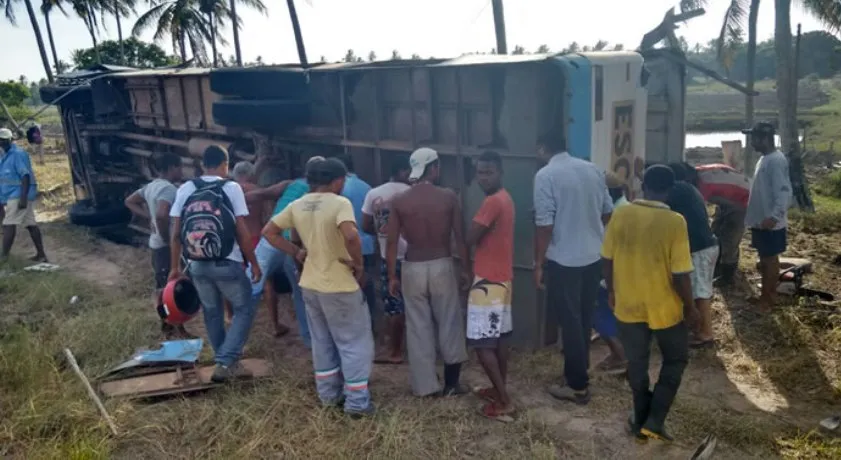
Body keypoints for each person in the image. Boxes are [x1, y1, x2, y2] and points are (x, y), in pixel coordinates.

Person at [262, 158, 375, 417]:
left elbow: (269, 231)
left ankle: (329, 396)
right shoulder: (339, 203)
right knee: (353, 342)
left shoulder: (297, 204)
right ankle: (357, 403)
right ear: (337, 180)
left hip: (310, 285)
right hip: (340, 285)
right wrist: (358, 266)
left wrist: (297, 252)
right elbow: (350, 235)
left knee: (322, 341)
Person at [601, 165, 694, 443]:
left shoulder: (621, 214)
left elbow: (606, 258)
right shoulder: (675, 222)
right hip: (665, 308)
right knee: (676, 359)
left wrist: (612, 289)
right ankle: (654, 420)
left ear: (643, 186)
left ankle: (639, 417)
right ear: (670, 189)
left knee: (637, 363)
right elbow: (681, 275)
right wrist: (690, 308)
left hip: (628, 304)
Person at [168, 145, 262, 383]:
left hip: (196, 262)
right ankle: (225, 361)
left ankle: (226, 362)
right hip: (226, 261)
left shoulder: (186, 188)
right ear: (225, 164)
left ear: (202, 165)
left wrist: (174, 268)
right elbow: (241, 230)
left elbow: (176, 232)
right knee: (244, 309)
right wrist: (254, 263)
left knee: (212, 312)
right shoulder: (231, 187)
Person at [533, 130, 613, 405]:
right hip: (593, 257)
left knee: (570, 322)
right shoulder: (592, 170)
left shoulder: (545, 176)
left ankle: (577, 386)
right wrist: (591, 230)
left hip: (564, 261)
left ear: (543, 148)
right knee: (582, 317)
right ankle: (579, 374)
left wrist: (539, 262)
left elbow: (544, 224)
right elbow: (607, 211)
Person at [387, 147, 470, 397]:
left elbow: (392, 241)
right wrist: (466, 269)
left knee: (418, 327)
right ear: (434, 168)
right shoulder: (448, 197)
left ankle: (426, 388)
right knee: (449, 323)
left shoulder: (400, 200)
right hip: (441, 264)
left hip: (412, 267)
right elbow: (460, 236)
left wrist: (392, 274)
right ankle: (452, 384)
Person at [248, 155, 324, 348]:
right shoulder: (322, 193)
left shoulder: (290, 184)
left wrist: (230, 199)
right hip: (295, 242)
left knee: (251, 284)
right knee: (302, 291)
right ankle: (310, 339)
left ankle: (236, 328)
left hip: (272, 237)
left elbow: (262, 194)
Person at [465, 151, 516, 420]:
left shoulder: (492, 203)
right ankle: (499, 390)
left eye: (488, 172)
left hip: (488, 280)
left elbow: (470, 236)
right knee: (499, 341)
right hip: (503, 279)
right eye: (480, 172)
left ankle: (504, 402)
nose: (483, 177)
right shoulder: (505, 198)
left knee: (483, 342)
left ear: (500, 172)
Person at [124, 152, 192, 339]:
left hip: (156, 246)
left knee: (162, 286)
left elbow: (129, 201)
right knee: (172, 288)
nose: (181, 171)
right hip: (164, 246)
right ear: (171, 168)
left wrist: (148, 217)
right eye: (179, 167)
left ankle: (168, 326)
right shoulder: (169, 189)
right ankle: (177, 328)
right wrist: (166, 238)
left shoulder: (151, 186)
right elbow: (163, 215)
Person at [361, 155, 411, 365]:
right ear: (402, 171)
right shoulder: (413, 193)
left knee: (394, 305)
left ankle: (395, 351)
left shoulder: (375, 193)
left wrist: (384, 235)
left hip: (389, 257)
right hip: (415, 257)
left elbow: (365, 225)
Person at [233, 160, 290, 337]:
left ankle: (231, 316)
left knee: (235, 278)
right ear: (250, 173)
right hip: (256, 237)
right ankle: (275, 324)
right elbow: (268, 213)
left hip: (237, 239)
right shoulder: (256, 190)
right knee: (266, 282)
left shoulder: (231, 191)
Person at [667, 163, 719, 349]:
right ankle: (698, 328)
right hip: (705, 246)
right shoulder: (689, 190)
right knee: (699, 289)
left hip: (701, 249)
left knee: (700, 292)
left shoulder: (679, 189)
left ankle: (705, 334)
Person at [742, 122, 792, 312]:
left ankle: (768, 300)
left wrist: (774, 216)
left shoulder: (775, 161)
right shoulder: (765, 159)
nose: (752, 142)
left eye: (754, 138)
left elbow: (784, 192)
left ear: (765, 139)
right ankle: (768, 295)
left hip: (770, 221)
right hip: (762, 220)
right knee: (766, 258)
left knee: (769, 260)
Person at [682, 162, 750, 286]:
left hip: (742, 200)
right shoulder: (699, 171)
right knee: (716, 232)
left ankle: (728, 276)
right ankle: (719, 267)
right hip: (731, 194)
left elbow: (700, 212)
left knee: (729, 238)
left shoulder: (703, 185)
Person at [334, 154, 378, 335]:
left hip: (348, 244)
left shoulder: (340, 190)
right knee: (367, 285)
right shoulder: (366, 186)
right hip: (368, 242)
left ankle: (354, 325)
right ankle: (372, 324)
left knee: (350, 286)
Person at [592, 172, 628, 375]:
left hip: (614, 274)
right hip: (628, 272)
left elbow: (607, 252)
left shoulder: (616, 213)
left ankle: (619, 355)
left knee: (596, 312)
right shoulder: (627, 207)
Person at [0, 128, 48, 262]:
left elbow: (25, 176)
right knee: (30, 224)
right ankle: (42, 255)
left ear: (11, 139)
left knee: (9, 224)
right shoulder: (4, 155)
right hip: (12, 194)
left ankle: (4, 257)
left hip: (20, 193)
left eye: (4, 140)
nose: (2, 142)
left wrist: (23, 197)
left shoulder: (18, 154)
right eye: (0, 140)